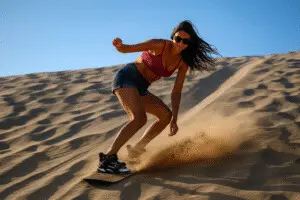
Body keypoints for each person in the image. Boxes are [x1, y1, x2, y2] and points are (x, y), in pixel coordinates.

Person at [98, 20, 220, 174]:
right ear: (173, 37)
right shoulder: (160, 45)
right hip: (126, 78)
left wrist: (175, 119)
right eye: (178, 39)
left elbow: (176, 92)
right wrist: (120, 46)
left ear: (190, 43)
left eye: (185, 40)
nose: (180, 43)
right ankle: (108, 159)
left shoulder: (182, 63)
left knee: (165, 115)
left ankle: (137, 150)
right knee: (139, 118)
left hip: (141, 87)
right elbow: (128, 49)